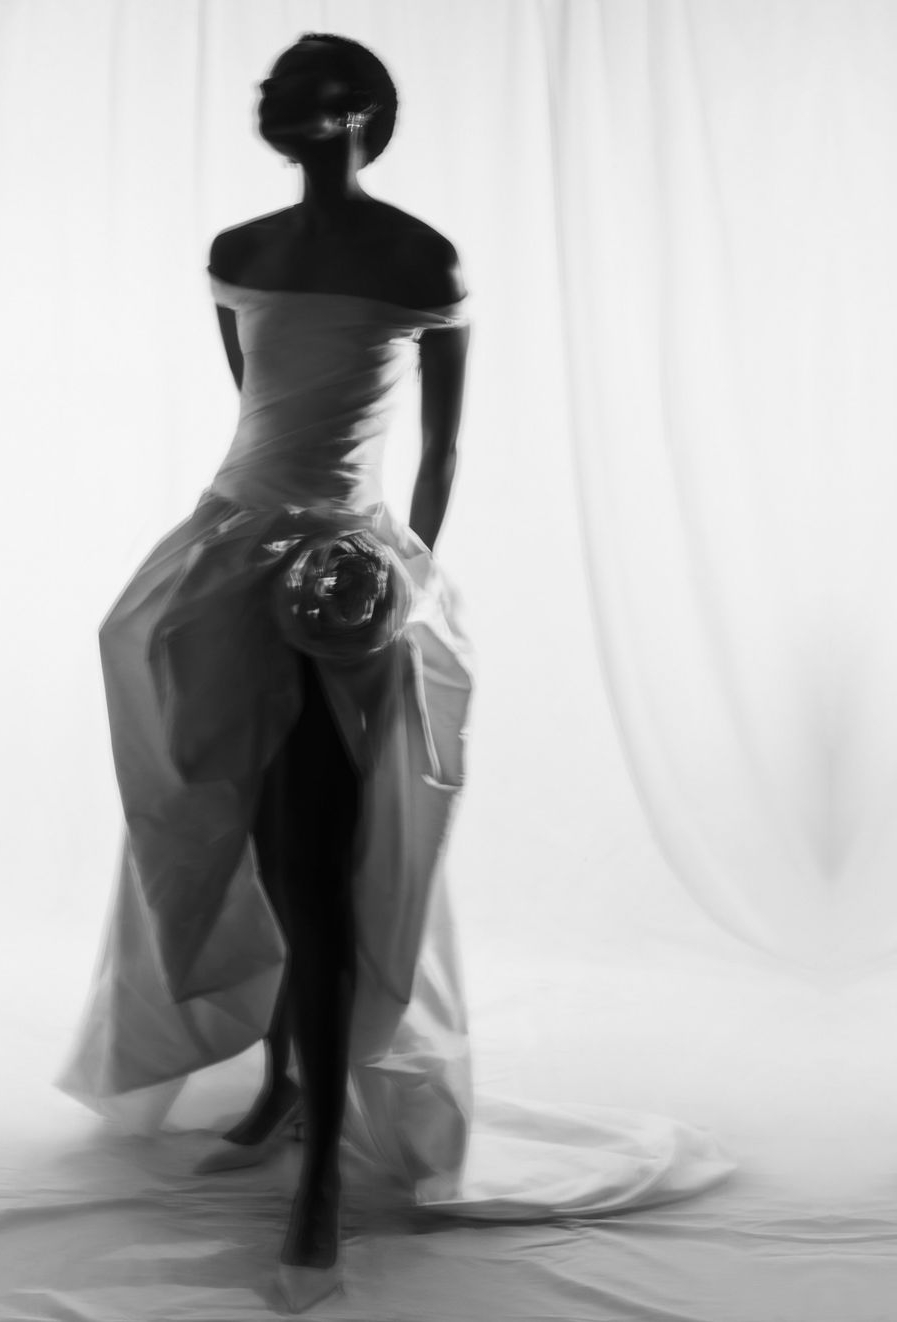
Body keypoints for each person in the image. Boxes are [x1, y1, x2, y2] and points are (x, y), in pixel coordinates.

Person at [57, 30, 733, 1317]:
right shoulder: (238, 251)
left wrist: (398, 572)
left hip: (348, 577)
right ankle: (278, 1078)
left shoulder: (422, 259)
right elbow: (258, 411)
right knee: (235, 817)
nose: (280, 108)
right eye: (272, 93)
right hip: (227, 550)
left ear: (363, 109)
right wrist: (262, 534)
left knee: (318, 852)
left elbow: (439, 444)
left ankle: (318, 1182)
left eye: (307, 93)